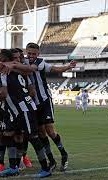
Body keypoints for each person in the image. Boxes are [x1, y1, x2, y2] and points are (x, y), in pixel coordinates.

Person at [0, 49, 51, 178]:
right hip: (14, 111)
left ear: (3, 61)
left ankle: (45, 168)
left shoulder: (3, 73)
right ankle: (13, 167)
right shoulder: (15, 70)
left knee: (32, 137)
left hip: (24, 109)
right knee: (8, 134)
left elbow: (3, 93)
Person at [23, 42, 76, 171]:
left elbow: (54, 69)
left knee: (50, 131)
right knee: (41, 133)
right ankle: (51, 160)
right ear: (26, 52)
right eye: (29, 53)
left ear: (38, 54)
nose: (31, 56)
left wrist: (67, 67)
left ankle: (64, 154)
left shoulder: (40, 62)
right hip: (33, 104)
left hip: (45, 101)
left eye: (33, 54)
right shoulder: (23, 62)